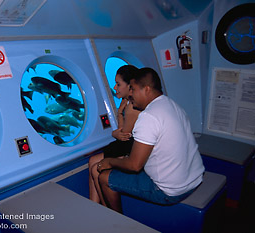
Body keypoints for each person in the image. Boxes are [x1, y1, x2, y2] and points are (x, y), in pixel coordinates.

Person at [97, 67, 205, 213]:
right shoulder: (171, 104)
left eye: (133, 89)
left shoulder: (149, 116)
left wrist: (108, 162)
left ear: (146, 89)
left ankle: (117, 220)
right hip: (195, 178)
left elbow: (134, 165)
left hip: (171, 190)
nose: (131, 94)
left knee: (104, 178)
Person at [88, 65, 140, 204]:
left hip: (132, 148)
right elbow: (123, 133)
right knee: (92, 161)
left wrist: (119, 115)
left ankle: (105, 209)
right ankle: (94, 206)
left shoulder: (131, 107)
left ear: (130, 86)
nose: (115, 88)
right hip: (128, 145)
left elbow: (123, 134)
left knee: (95, 168)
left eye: (118, 84)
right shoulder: (127, 102)